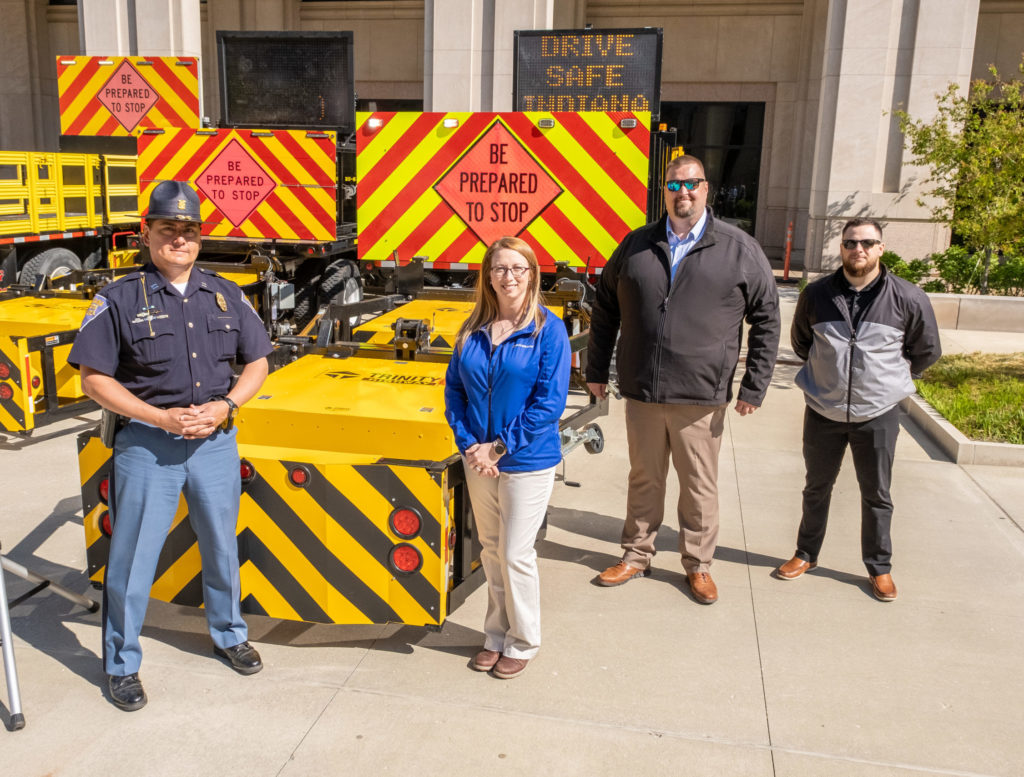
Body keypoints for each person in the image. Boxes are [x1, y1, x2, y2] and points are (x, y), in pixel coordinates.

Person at [68, 181, 274, 710]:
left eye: (188, 231)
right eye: (168, 230)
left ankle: (229, 634)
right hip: (147, 447)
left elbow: (257, 363)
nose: (178, 239)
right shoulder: (115, 299)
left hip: (214, 445)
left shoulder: (226, 293)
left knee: (222, 547)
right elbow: (94, 380)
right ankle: (120, 664)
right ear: (147, 233)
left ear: (199, 237)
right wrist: (158, 415)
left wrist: (227, 406)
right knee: (133, 557)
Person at [587, 155, 780, 604]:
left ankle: (698, 564)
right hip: (644, 392)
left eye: (692, 184)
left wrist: (755, 384)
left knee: (698, 485)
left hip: (700, 393)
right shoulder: (636, 245)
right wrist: (596, 370)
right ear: (665, 192)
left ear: (706, 189)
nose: (683, 193)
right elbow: (605, 310)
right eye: (674, 186)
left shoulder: (738, 248)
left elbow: (767, 318)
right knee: (644, 478)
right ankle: (636, 556)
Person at [776, 218, 941, 600]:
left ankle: (879, 567)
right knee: (816, 487)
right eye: (851, 242)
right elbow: (802, 342)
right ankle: (806, 554)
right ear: (842, 248)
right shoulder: (816, 294)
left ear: (881, 248)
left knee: (877, 493)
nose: (859, 249)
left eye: (868, 242)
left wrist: (887, 380)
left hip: (878, 413)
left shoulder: (908, 297)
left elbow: (926, 350)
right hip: (823, 410)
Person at [444, 236, 570, 679]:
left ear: (533, 274)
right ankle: (496, 635)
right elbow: (454, 392)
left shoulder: (547, 329)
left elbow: (549, 404)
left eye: (519, 268)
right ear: (487, 276)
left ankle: (524, 640)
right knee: (493, 551)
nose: (509, 276)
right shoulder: (471, 331)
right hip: (479, 459)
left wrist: (497, 446)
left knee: (516, 553)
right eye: (500, 268)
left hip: (526, 460)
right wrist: (469, 445)